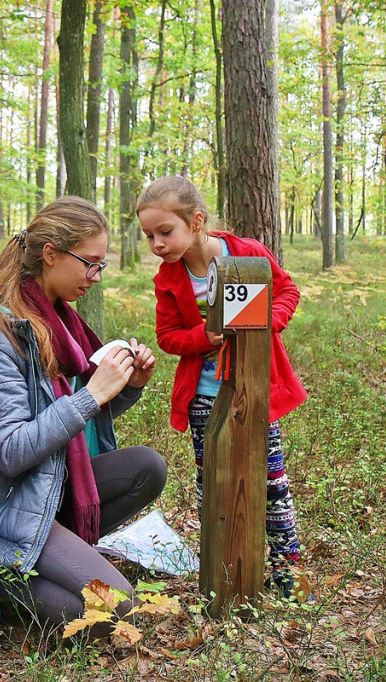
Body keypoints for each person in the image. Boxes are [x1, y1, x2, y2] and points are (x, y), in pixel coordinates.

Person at [0, 196, 168, 629]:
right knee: (110, 611)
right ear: (50, 254)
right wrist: (91, 394)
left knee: (147, 467)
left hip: (50, 486)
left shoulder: (59, 321)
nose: (95, 276)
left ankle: (60, 549)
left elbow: (68, 427)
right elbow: (10, 451)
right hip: (4, 508)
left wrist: (125, 389)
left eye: (101, 265)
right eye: (89, 262)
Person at [136, 175, 308, 595]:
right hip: (204, 396)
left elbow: (287, 292)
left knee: (270, 481)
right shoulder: (168, 277)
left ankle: (287, 570)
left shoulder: (246, 253)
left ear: (196, 221)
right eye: (149, 236)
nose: (158, 244)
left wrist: (265, 325)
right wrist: (203, 338)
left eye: (165, 231)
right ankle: (221, 568)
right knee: (212, 480)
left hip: (254, 392)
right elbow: (167, 335)